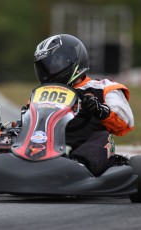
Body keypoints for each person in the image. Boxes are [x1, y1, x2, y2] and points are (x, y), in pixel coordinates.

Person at [33, 34, 134, 177]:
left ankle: (78, 167)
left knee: (102, 136)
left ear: (73, 61)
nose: (48, 71)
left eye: (56, 62)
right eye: (44, 66)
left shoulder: (103, 87)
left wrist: (100, 110)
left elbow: (125, 122)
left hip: (87, 147)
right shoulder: (41, 93)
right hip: (49, 144)